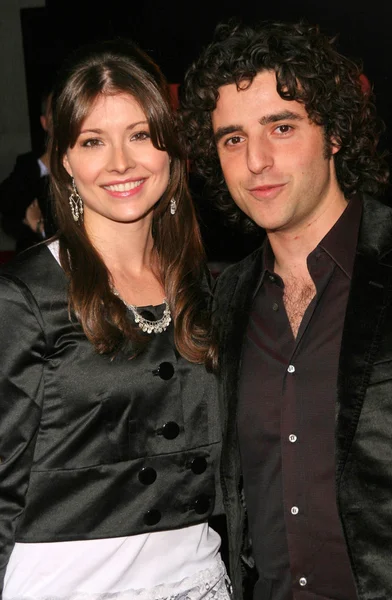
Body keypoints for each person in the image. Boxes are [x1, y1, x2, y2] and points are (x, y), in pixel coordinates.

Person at [0, 38, 231, 600]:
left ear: (171, 150)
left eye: (140, 135)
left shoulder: (214, 288)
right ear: (65, 162)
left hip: (199, 579)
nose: (121, 163)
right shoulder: (24, 295)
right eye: (92, 141)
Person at [179, 19, 392, 600]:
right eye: (232, 138)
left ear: (334, 134)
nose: (256, 160)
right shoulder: (223, 302)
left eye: (281, 126)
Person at [0, 86, 57, 253]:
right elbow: (8, 211)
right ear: (44, 122)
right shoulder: (29, 165)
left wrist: (40, 225)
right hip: (33, 259)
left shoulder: (85, 163)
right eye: (54, 111)